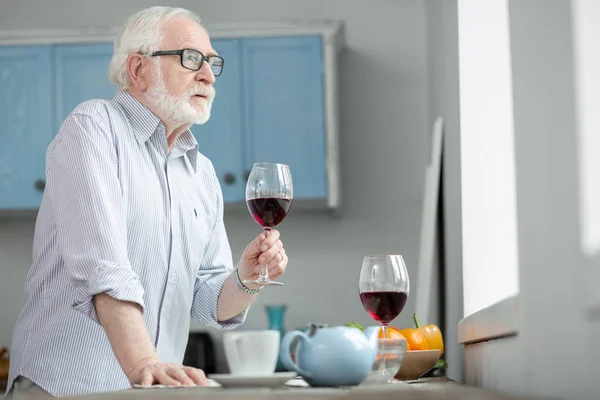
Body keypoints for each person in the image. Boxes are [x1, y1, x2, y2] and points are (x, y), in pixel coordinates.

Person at [4, 6, 288, 398]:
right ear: (139, 70)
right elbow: (103, 265)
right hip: (64, 388)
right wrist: (142, 363)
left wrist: (247, 278)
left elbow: (209, 302)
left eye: (212, 63)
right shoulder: (93, 128)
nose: (208, 74)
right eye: (191, 59)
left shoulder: (201, 173)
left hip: (148, 390)